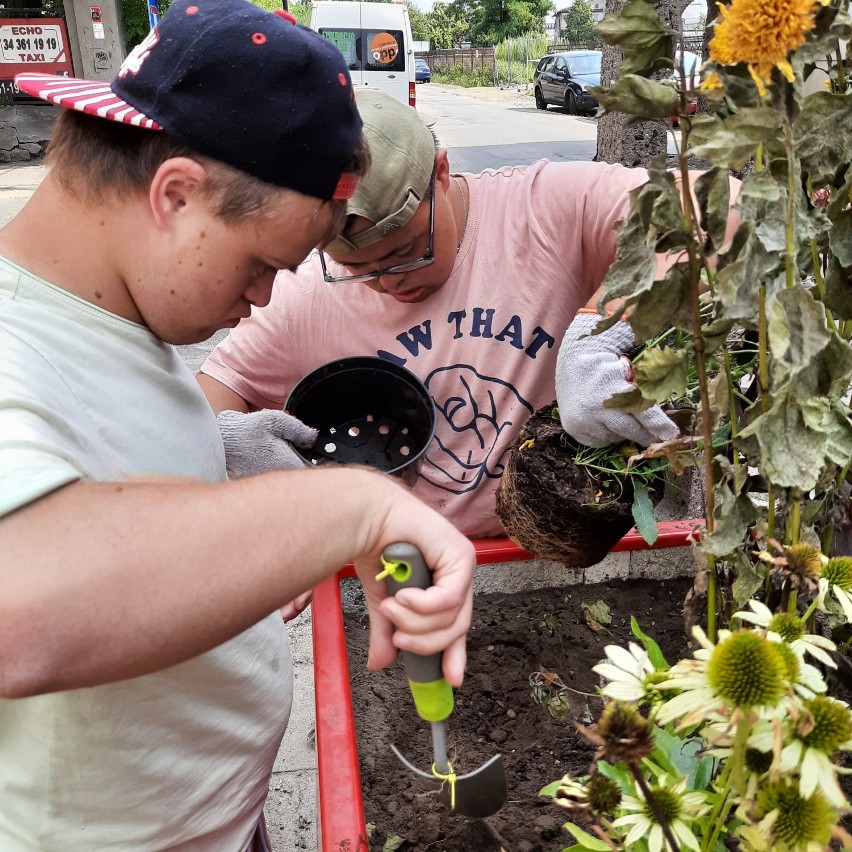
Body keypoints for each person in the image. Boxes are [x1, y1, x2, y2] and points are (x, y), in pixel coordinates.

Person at [0, 3, 476, 850]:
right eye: (261, 264)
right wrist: (351, 508)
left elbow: (73, 462)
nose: (260, 300)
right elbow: (21, 608)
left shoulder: (107, 312)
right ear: (175, 193)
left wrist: (207, 455)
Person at [199, 89, 705, 541]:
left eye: (407, 252)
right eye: (358, 269)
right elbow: (214, 393)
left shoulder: (543, 211)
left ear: (441, 172)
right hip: (402, 562)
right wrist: (224, 444)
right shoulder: (307, 293)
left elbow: (709, 211)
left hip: (554, 552)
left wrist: (603, 329)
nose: (388, 281)